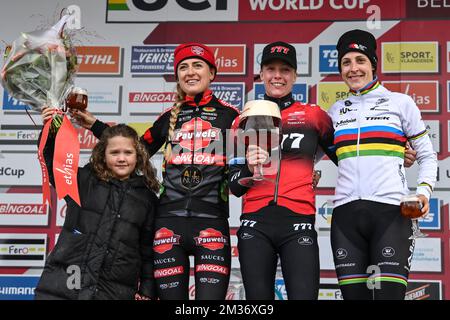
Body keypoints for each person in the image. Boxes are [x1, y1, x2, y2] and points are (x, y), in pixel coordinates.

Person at [72, 43, 240, 299]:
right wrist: (95, 125)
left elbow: (256, 162)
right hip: (167, 225)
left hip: (212, 222)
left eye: (197, 65)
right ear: (177, 76)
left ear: (212, 73)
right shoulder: (168, 117)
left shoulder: (231, 117)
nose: (190, 72)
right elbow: (132, 149)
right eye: (183, 67)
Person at [328, 29, 438, 300]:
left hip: (391, 214)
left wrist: (423, 192)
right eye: (346, 62)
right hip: (345, 217)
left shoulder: (400, 103)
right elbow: (314, 155)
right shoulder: (334, 112)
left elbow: (426, 155)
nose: (353, 68)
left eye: (360, 60)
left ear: (373, 65)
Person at [229, 41, 338, 300]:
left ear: (295, 76)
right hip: (255, 223)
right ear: (262, 74)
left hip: (298, 220)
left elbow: (347, 158)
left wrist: (398, 155)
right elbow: (233, 186)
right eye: (270, 69)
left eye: (285, 70)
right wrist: (249, 166)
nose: (277, 75)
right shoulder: (242, 119)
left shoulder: (313, 116)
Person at [34, 113, 160, 300]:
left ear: (138, 155)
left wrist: (147, 291)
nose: (121, 159)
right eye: (114, 153)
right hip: (65, 286)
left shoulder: (148, 199)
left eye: (128, 152)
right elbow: (53, 161)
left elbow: (148, 251)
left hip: (113, 291)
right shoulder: (84, 180)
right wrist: (51, 127)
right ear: (103, 154)